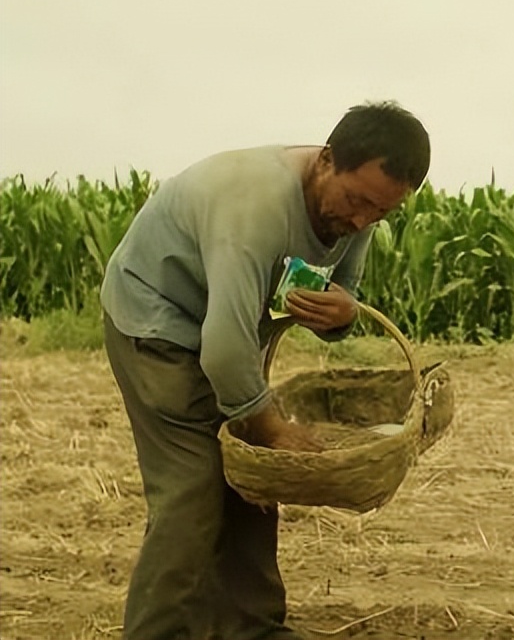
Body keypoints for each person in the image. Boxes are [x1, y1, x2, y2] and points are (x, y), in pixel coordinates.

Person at [101, 101, 431, 640]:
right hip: (156, 322)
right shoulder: (254, 205)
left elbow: (340, 293)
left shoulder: (359, 207)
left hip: (223, 330)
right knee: (192, 491)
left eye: (380, 212)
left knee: (250, 480)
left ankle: (250, 626)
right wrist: (270, 426)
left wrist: (342, 314)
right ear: (326, 160)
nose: (361, 221)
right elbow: (224, 350)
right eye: (357, 201)